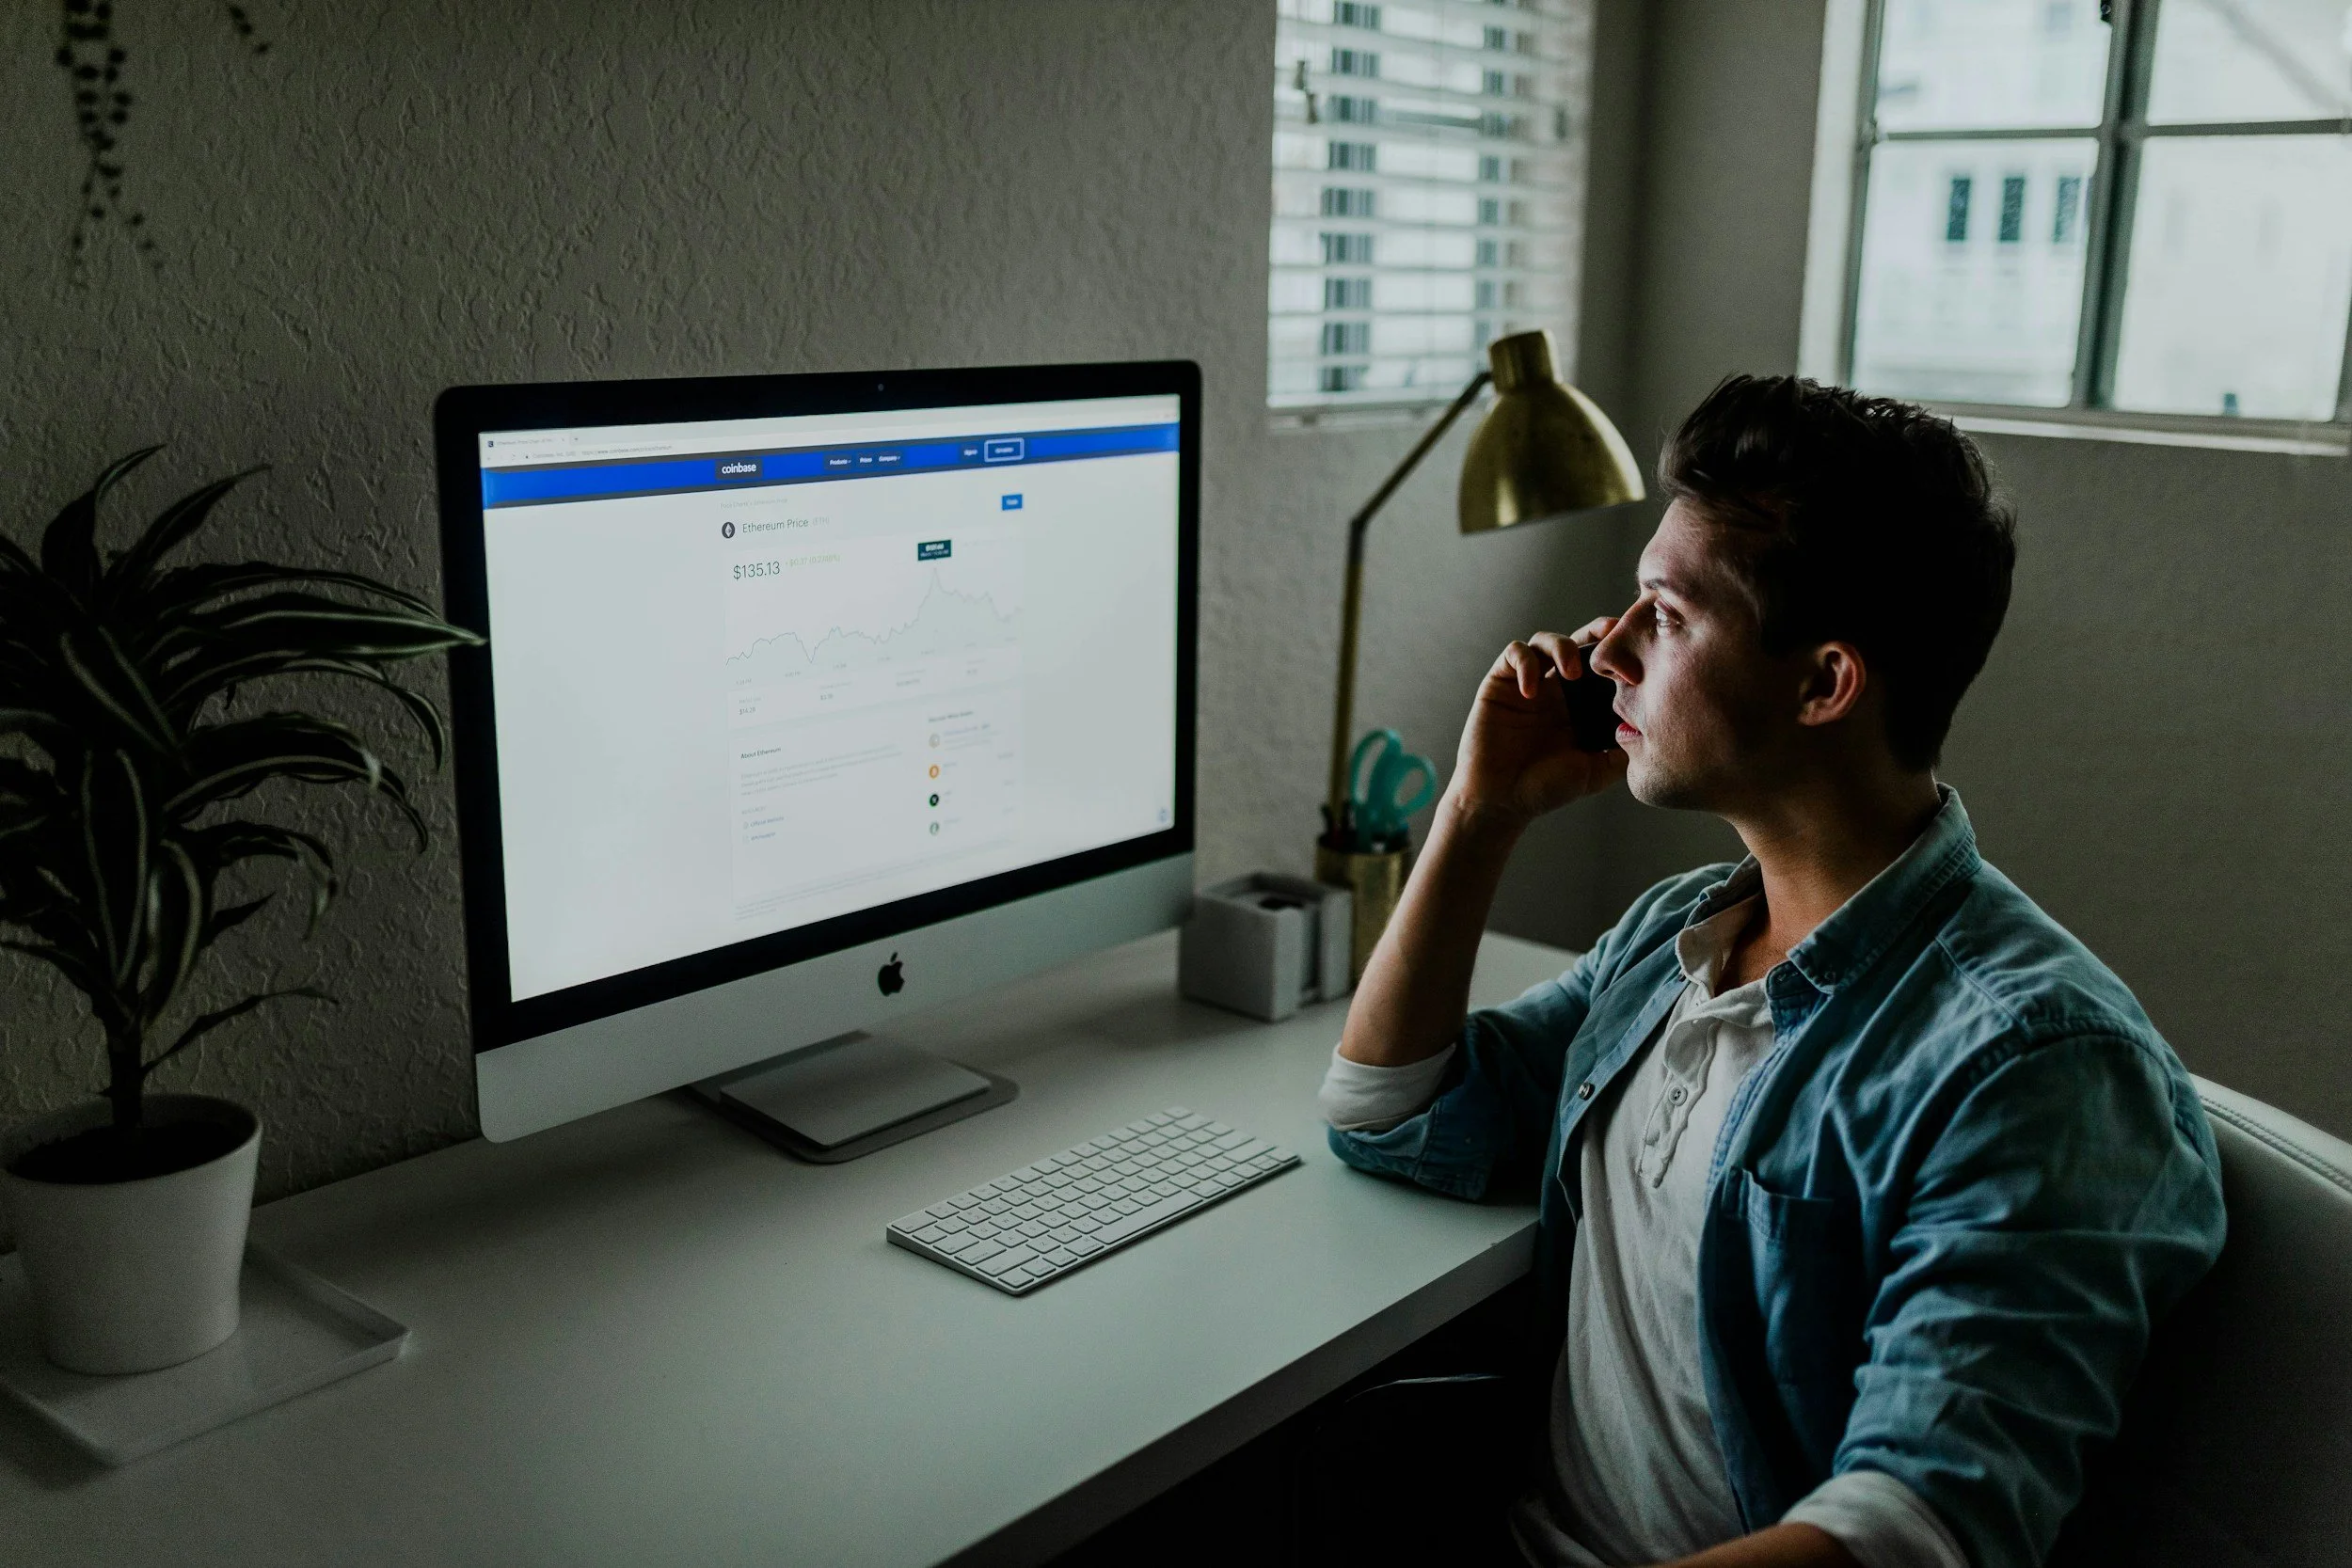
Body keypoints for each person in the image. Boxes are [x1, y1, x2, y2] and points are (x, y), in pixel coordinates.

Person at [1319, 375, 2226, 1568]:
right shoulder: (1680, 938)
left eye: (1668, 613)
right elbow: (1393, 1108)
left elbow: (1910, 1530)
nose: (1607, 649)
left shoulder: (2036, 1067)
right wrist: (1480, 809)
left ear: (1822, 683)